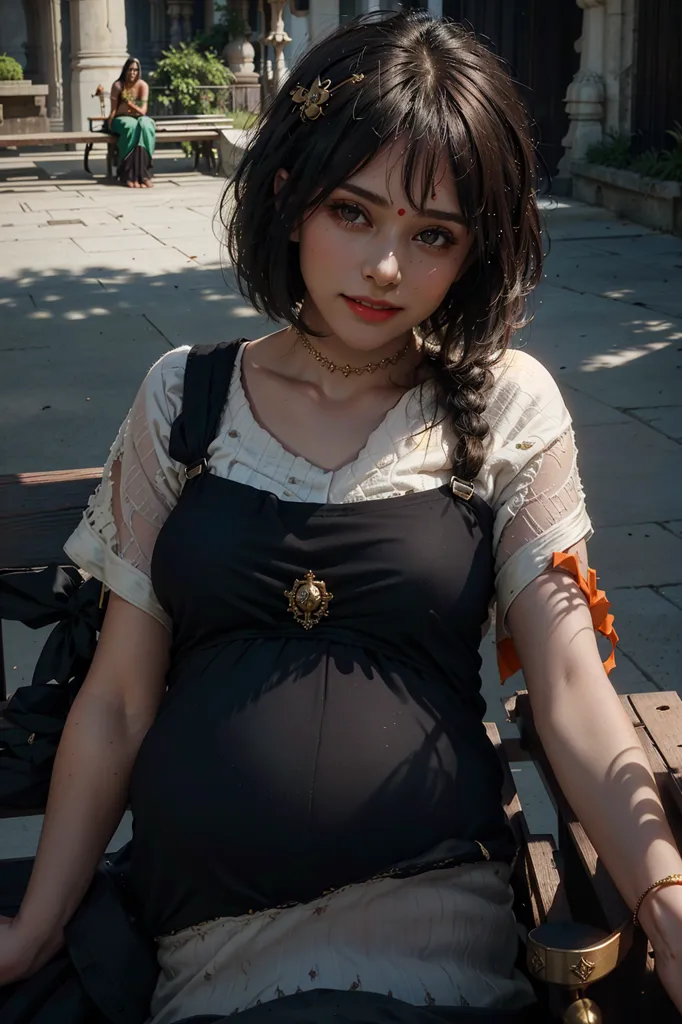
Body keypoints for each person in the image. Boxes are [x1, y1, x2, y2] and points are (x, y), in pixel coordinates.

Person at [1, 11, 681, 1023]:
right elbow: (116, 703)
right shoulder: (182, 401)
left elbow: (575, 690)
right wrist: (37, 926)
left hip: (428, 934)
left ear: (473, 252)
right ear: (288, 198)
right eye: (353, 214)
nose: (386, 269)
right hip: (199, 952)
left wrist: (665, 903)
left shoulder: (505, 404)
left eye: (432, 235)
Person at [107, 57, 155, 188]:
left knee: (146, 125)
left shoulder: (143, 85)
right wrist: (110, 123)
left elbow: (143, 112)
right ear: (125, 70)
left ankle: (143, 175)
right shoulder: (118, 86)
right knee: (132, 126)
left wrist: (129, 104)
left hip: (138, 116)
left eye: (135, 70)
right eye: (130, 69)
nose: (133, 73)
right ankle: (128, 174)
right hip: (121, 118)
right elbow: (114, 110)